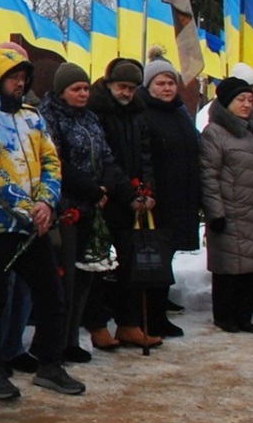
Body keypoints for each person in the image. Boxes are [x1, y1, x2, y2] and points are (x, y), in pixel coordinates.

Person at [0, 46, 81, 401]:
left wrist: (46, 202)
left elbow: (51, 161)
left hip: (32, 225)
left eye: (24, 78)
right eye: (13, 77)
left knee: (51, 295)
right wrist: (28, 207)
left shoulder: (32, 117)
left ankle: (50, 365)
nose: (20, 83)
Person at [40, 62, 127, 363]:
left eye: (86, 88)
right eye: (76, 89)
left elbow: (106, 155)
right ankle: (53, 342)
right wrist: (91, 189)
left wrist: (106, 186)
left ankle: (71, 338)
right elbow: (56, 161)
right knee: (64, 278)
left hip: (92, 206)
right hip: (66, 207)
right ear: (62, 91)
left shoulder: (90, 118)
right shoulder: (50, 117)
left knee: (85, 276)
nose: (83, 94)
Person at [87, 58, 159, 347]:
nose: (127, 93)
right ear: (109, 84)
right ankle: (97, 325)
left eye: (132, 88)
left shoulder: (137, 113)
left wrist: (148, 190)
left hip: (134, 200)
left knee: (133, 263)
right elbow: (106, 159)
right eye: (122, 86)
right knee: (98, 264)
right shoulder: (96, 110)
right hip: (107, 198)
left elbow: (145, 155)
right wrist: (128, 193)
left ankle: (129, 323)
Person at [200, 76, 253, 332]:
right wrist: (215, 212)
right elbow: (208, 175)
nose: (246, 104)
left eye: (249, 100)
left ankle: (245, 316)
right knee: (228, 268)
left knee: (252, 269)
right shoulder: (214, 133)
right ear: (226, 103)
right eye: (240, 100)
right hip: (229, 210)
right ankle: (225, 316)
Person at [140, 59, 202, 336]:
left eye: (170, 83)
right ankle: (151, 316)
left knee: (168, 256)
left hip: (181, 196)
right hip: (158, 199)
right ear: (149, 85)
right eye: (160, 83)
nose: (167, 88)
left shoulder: (179, 112)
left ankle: (159, 307)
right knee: (155, 259)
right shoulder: (144, 113)